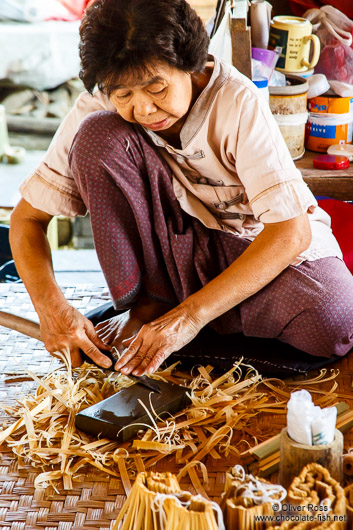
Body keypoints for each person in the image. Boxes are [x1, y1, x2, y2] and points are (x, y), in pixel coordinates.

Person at [10, 0, 353, 378]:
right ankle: (150, 305)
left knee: (336, 320)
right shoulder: (100, 103)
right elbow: (27, 218)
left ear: (190, 63)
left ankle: (187, 319)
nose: (143, 109)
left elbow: (291, 233)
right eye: (123, 95)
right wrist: (52, 309)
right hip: (172, 257)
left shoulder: (237, 102)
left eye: (156, 87)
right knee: (96, 135)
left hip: (253, 248)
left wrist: (190, 317)